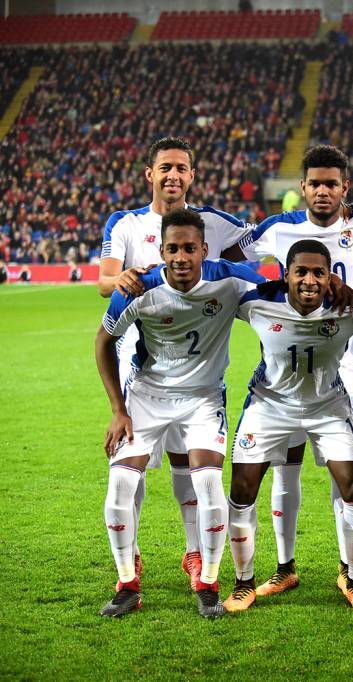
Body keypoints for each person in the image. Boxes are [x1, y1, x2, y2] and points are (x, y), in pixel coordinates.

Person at [223, 240, 353, 614]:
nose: (310, 281)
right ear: (286, 275)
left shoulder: (348, 309)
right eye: (301, 272)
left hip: (329, 407)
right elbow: (217, 285)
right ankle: (243, 583)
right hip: (269, 405)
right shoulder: (257, 303)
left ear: (331, 276)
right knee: (242, 488)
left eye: (319, 272)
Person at [234, 144, 353, 599]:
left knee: (342, 474)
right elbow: (232, 252)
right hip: (286, 360)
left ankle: (349, 571)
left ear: (346, 188)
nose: (323, 191)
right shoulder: (278, 228)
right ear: (301, 187)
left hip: (344, 361)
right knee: (285, 470)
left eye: (331, 184)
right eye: (315, 183)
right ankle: (285, 568)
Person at [94, 208, 265, 619]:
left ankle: (207, 583)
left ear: (204, 249)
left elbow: (280, 293)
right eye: (173, 248)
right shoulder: (139, 289)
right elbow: (103, 341)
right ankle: (127, 584)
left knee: (206, 484)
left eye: (190, 248)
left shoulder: (229, 279)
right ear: (161, 249)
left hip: (203, 399)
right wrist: (118, 409)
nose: (181, 257)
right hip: (147, 397)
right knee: (120, 483)